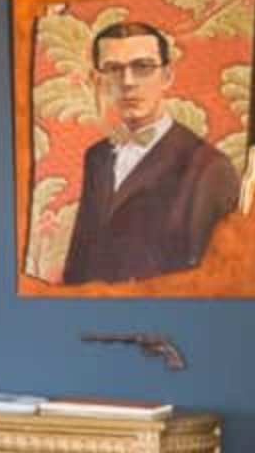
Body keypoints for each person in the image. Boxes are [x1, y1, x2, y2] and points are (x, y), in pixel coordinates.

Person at [55, 14, 241, 284]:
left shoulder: (209, 167)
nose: (128, 82)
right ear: (98, 80)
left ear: (167, 76)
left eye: (142, 67)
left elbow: (215, 281)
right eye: (113, 69)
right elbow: (78, 266)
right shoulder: (97, 156)